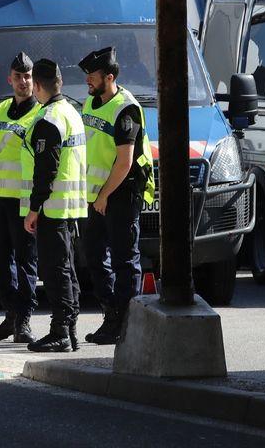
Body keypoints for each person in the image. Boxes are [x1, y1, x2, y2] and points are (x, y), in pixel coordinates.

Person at [78, 46, 155, 345]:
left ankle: (124, 322)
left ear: (109, 77)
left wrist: (103, 196)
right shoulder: (91, 101)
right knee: (94, 256)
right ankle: (112, 315)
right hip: (97, 194)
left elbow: (124, 162)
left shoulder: (126, 109)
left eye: (93, 75)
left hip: (121, 192)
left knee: (124, 260)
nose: (88, 80)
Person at [0, 52, 42, 344]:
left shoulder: (40, 113)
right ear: (9, 80)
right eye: (18, 77)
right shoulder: (0, 109)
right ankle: (11, 314)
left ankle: (23, 319)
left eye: (28, 76)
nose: (24, 82)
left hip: (23, 200)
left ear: (34, 80)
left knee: (26, 262)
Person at [21, 59, 87, 353]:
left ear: (37, 86)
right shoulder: (71, 112)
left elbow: (46, 168)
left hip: (52, 207)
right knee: (66, 269)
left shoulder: (49, 118)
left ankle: (61, 331)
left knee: (55, 270)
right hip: (70, 207)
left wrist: (34, 208)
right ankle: (69, 329)